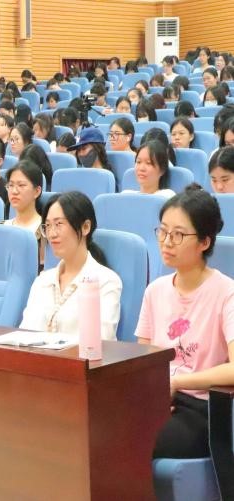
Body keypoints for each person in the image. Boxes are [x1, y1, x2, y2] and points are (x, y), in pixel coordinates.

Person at [136, 185, 234, 460]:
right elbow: (142, 359)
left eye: (178, 234)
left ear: (204, 242)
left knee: (135, 441)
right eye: (163, 231)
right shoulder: (155, 291)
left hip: (202, 406)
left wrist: (177, 383)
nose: (167, 242)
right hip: (158, 397)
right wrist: (152, 398)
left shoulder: (226, 293)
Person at [20, 191, 122, 339]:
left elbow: (101, 339)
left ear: (85, 227)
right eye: (47, 225)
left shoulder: (106, 281)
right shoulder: (42, 281)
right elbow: (25, 335)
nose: (52, 234)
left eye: (59, 224)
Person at [2, 160, 44, 268]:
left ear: (37, 191)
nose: (14, 191)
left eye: (21, 185)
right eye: (10, 185)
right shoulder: (1, 227)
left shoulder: (45, 231)